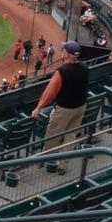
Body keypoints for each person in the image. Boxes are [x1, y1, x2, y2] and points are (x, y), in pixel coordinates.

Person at [30, 41, 88, 175]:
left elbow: (50, 93)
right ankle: (63, 166)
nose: (61, 51)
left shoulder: (62, 71)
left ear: (66, 54)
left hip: (64, 110)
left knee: (53, 136)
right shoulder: (84, 67)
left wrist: (38, 108)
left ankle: (47, 161)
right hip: (80, 107)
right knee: (70, 136)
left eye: (63, 50)